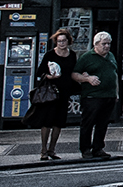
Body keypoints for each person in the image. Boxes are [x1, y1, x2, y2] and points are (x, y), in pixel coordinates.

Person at [72, 31, 118, 160]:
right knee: (88, 122)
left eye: (108, 44)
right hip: (93, 96)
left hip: (109, 95)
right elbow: (75, 74)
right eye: (104, 44)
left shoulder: (111, 56)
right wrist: (88, 79)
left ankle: (98, 147)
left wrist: (116, 93)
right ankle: (85, 148)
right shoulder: (87, 57)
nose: (107, 46)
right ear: (96, 44)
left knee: (103, 123)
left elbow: (114, 74)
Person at [34, 29, 76, 160]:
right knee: (47, 121)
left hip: (64, 91)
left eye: (64, 41)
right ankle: (43, 150)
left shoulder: (72, 55)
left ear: (68, 41)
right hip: (50, 91)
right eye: (59, 41)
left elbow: (74, 71)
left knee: (59, 121)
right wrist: (49, 76)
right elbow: (39, 72)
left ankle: (52, 149)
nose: (61, 43)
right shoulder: (50, 55)